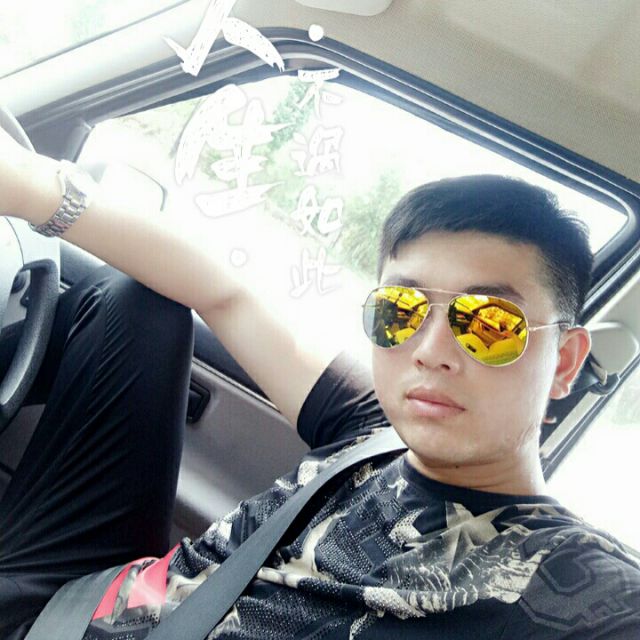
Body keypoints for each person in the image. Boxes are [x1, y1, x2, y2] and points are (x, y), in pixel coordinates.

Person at [0, 127, 639, 639]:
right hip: (89, 594)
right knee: (137, 304)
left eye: (490, 323)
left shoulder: (585, 592)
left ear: (563, 362)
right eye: (401, 310)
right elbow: (224, 293)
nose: (430, 351)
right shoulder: (375, 427)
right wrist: (32, 188)